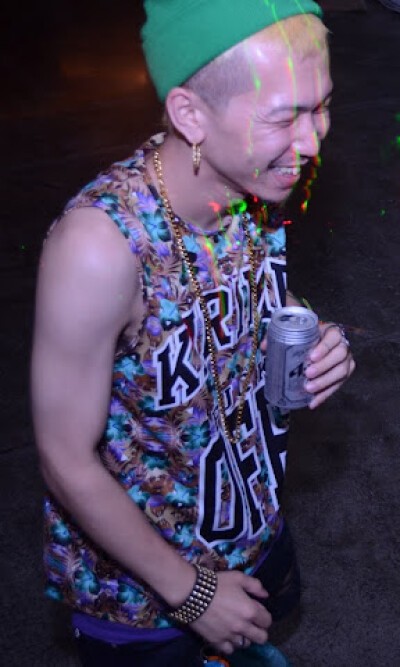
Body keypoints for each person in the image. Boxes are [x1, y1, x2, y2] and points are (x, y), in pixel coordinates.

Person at [30, 1, 354, 665]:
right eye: (285, 117)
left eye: (321, 106)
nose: (312, 142)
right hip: (143, 593)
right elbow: (64, 457)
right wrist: (192, 593)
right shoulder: (99, 249)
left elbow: (239, 293)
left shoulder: (254, 181)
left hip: (250, 520)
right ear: (190, 115)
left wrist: (313, 332)